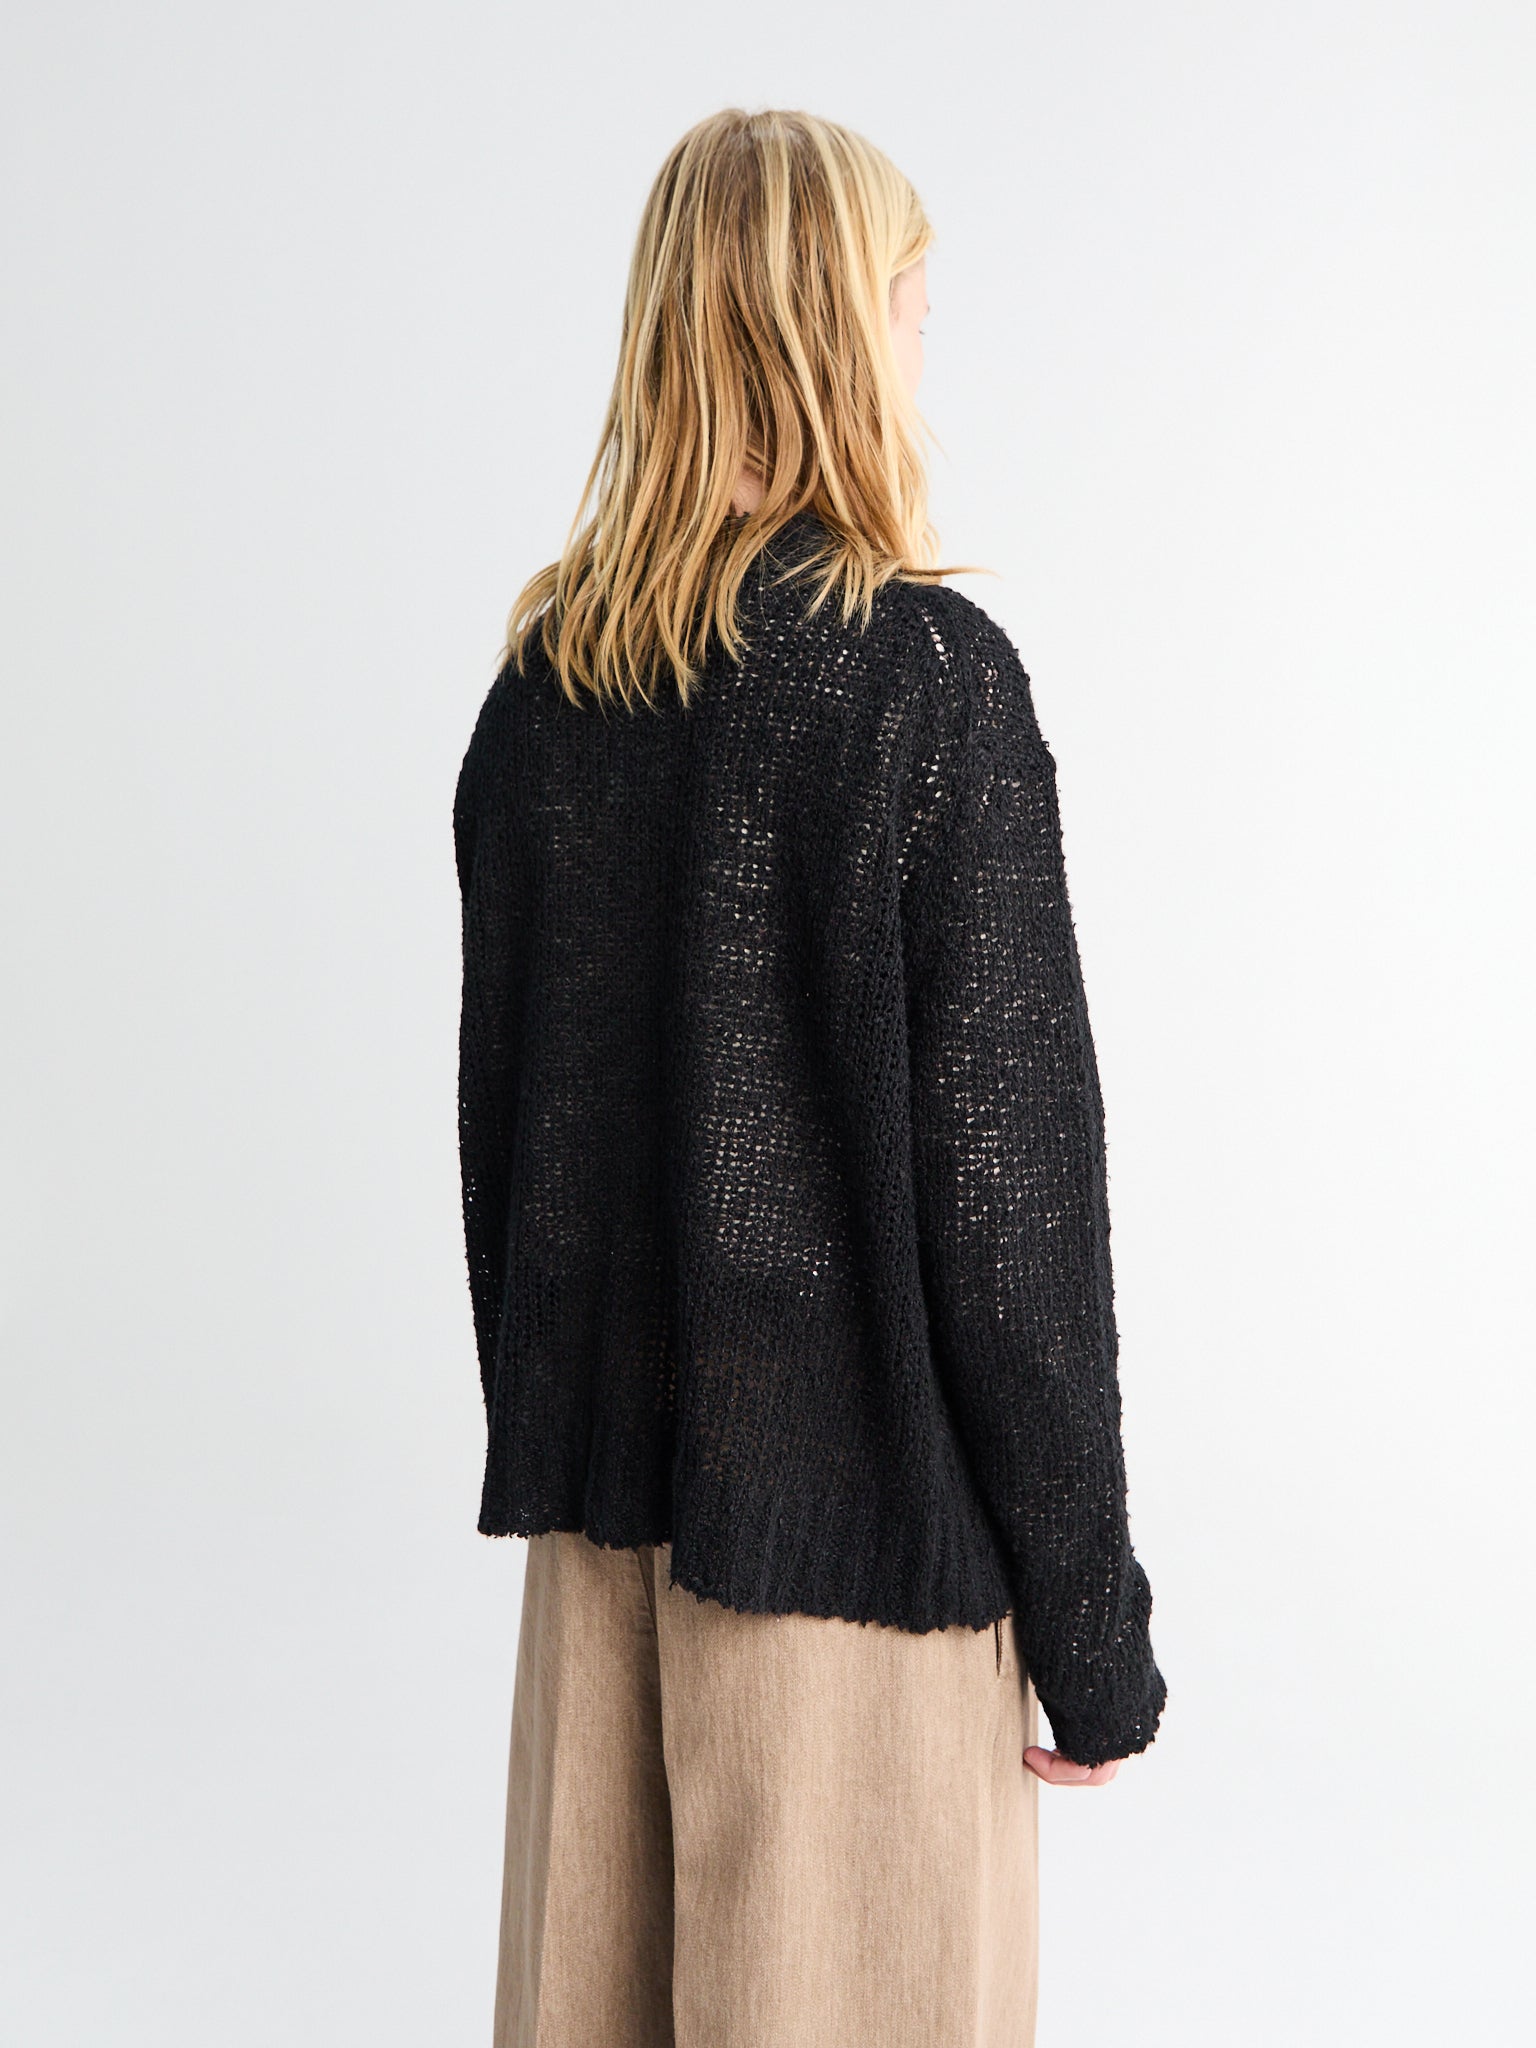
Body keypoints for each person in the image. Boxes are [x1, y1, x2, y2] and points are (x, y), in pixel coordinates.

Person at [453, 105, 1167, 2048]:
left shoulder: (546, 696)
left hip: (602, 1571)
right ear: (839, 331)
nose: (928, 349)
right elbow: (1014, 1223)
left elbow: (508, 1152)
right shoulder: (926, 688)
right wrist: (1094, 1636)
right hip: (853, 1590)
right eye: (914, 307)